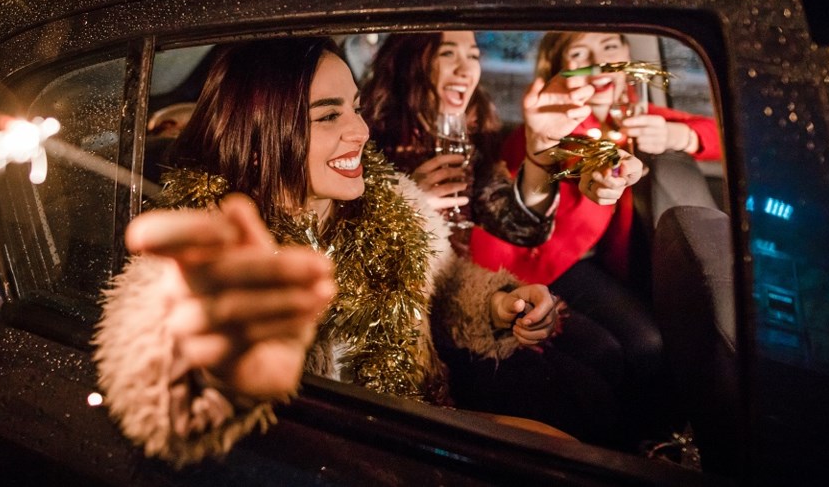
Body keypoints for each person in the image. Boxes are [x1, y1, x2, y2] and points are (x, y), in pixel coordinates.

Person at [93, 38, 566, 467]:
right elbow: (155, 361)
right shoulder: (208, 249)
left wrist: (496, 304)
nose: (360, 130)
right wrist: (214, 368)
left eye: (355, 108)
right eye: (328, 115)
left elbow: (440, 280)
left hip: (414, 428)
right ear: (261, 138)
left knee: (559, 448)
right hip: (305, 461)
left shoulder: (393, 205)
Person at [360, 31, 644, 445]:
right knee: (585, 391)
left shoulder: (467, 141)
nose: (466, 67)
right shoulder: (368, 145)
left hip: (465, 297)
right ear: (409, 62)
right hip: (417, 326)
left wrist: (539, 151)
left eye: (473, 54)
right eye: (447, 53)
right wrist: (409, 200)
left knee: (603, 358)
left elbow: (520, 224)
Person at [470, 31, 722, 444]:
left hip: (586, 262)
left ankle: (653, 444)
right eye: (581, 53)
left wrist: (679, 136)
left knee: (650, 342)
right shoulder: (562, 120)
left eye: (610, 48)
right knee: (640, 345)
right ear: (561, 70)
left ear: (626, 55)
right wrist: (609, 170)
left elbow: (721, 131)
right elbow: (583, 157)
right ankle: (638, 448)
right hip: (534, 266)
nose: (600, 61)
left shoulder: (629, 111)